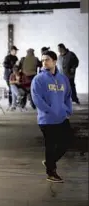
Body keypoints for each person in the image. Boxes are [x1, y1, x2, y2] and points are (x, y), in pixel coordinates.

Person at [31, 50, 73, 183]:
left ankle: (50, 161)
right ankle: (51, 173)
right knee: (51, 145)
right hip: (46, 120)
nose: (44, 62)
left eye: (47, 59)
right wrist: (49, 111)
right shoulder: (38, 79)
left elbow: (68, 96)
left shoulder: (63, 79)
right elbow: (37, 99)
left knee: (67, 142)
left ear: (55, 61)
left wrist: (67, 110)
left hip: (61, 117)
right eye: (43, 60)